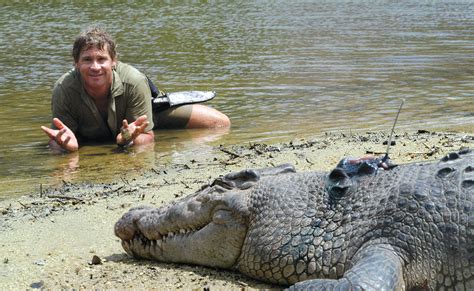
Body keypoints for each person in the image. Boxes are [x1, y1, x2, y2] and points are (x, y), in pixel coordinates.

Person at [41, 27, 230, 152]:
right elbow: (60, 138)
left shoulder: (134, 80)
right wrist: (66, 148)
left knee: (220, 123)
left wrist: (129, 141)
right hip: (90, 132)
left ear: (114, 61)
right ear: (76, 63)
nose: (95, 67)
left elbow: (147, 137)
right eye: (87, 60)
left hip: (142, 118)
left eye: (102, 59)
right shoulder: (63, 89)